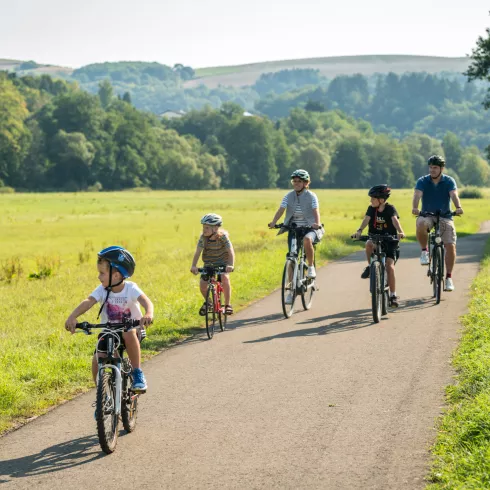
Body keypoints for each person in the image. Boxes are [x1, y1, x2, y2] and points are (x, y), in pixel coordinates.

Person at [65, 246, 154, 392]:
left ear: (117, 275)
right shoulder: (102, 289)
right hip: (109, 331)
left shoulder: (130, 288)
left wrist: (148, 313)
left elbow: (146, 301)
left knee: (128, 332)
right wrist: (73, 316)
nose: (99, 277)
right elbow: (89, 301)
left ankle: (137, 373)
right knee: (97, 359)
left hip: (131, 329)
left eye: (102, 273)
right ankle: (101, 394)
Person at [268, 169, 324, 303]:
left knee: (307, 240)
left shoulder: (311, 196)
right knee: (291, 257)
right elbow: (281, 209)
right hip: (293, 229)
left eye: (299, 181)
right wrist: (274, 222)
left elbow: (315, 210)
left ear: (306, 183)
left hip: (309, 228)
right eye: (295, 181)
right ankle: (291, 290)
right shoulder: (288, 196)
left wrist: (316, 223)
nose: (296, 184)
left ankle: (310, 268)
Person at [412, 155, 464, 292]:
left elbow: (453, 195)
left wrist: (458, 207)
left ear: (441, 168)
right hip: (427, 215)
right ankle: (424, 251)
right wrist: (415, 207)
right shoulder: (423, 181)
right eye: (430, 167)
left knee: (450, 246)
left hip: (445, 215)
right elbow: (417, 195)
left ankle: (448, 278)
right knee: (421, 224)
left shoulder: (449, 181)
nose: (432, 170)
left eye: (435, 167)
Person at [353, 185, 405, 307]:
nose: (371, 201)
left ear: (381, 199)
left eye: (373, 198)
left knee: (389, 266)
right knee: (369, 244)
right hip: (375, 238)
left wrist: (400, 232)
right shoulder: (371, 209)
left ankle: (393, 295)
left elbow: (394, 220)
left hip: (390, 241)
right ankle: (371, 266)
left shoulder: (390, 208)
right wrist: (359, 230)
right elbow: (366, 219)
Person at [190, 213, 235, 315]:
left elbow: (230, 251)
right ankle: (209, 302)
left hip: (222, 263)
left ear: (215, 228)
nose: (204, 230)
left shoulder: (223, 237)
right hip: (209, 264)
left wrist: (230, 265)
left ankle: (227, 305)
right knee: (202, 285)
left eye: (206, 228)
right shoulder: (203, 238)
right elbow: (197, 252)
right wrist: (194, 265)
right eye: (203, 227)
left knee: (225, 278)